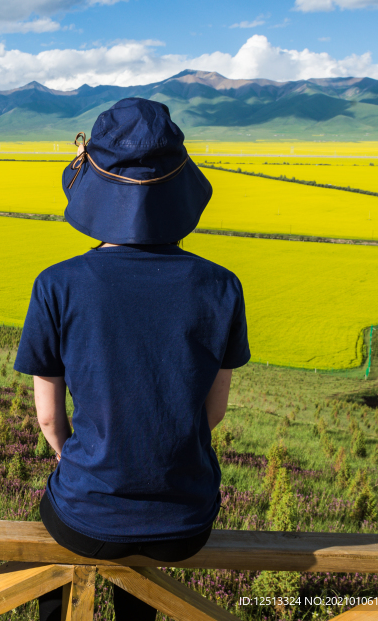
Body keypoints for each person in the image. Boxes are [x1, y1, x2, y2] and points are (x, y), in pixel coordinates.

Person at [13, 97, 250, 621]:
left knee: (60, 541)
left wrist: (78, 459)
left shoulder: (57, 285)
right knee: (144, 576)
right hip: (186, 523)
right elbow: (212, 412)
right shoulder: (222, 286)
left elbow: (49, 418)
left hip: (88, 513)